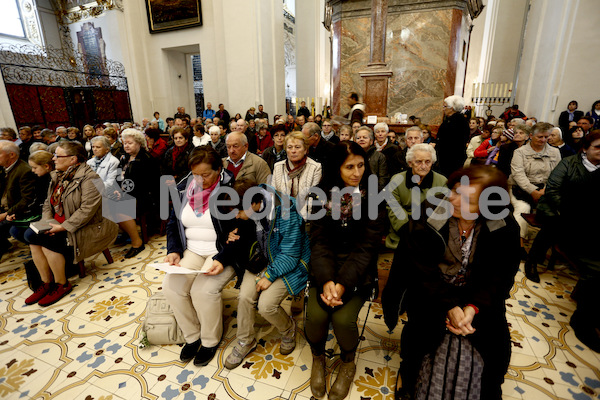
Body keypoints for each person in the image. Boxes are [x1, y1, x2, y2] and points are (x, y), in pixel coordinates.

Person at [383, 165, 520, 400]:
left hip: (478, 296)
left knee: (492, 350)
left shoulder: (503, 226)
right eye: (455, 191)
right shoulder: (429, 213)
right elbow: (418, 269)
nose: (454, 201)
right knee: (424, 344)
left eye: (468, 200)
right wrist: (449, 306)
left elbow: (501, 276)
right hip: (431, 292)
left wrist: (471, 307)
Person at [305, 141, 384, 400]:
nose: (356, 172)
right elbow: (319, 240)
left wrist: (342, 284)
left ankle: (348, 362)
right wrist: (327, 279)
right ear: (336, 168)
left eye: (361, 165)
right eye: (349, 166)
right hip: (324, 266)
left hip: (358, 271)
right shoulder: (320, 194)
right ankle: (318, 358)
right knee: (316, 318)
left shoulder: (373, 194)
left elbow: (367, 247)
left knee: (342, 319)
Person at [162, 146, 239, 365]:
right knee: (172, 287)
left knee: (202, 290)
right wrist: (174, 251)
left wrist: (222, 259)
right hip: (192, 249)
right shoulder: (184, 188)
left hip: (221, 252)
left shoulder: (231, 190)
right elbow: (172, 223)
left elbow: (242, 233)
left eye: (206, 175)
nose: (200, 180)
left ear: (219, 170)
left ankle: (209, 340)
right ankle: (192, 336)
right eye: (196, 174)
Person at [223, 179, 310, 369]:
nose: (237, 216)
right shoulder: (254, 207)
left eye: (239, 212)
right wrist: (233, 236)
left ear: (253, 204)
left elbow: (291, 253)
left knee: (266, 305)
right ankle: (246, 341)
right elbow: (249, 235)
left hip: (289, 263)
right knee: (245, 297)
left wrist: (269, 276)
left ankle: (288, 329)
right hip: (264, 259)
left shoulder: (287, 211)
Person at [23, 141, 118, 306]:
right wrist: (48, 222)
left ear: (73, 159)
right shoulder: (56, 176)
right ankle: (47, 282)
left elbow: (87, 211)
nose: (53, 159)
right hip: (58, 222)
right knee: (31, 236)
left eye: (58, 156)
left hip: (84, 227)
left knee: (46, 241)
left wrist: (62, 227)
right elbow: (48, 203)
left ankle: (62, 283)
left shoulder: (91, 178)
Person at [532, 132, 600, 351]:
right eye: (598, 147)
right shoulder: (569, 164)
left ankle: (589, 303)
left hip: (589, 223)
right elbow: (553, 191)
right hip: (560, 212)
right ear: (585, 149)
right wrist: (572, 214)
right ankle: (533, 260)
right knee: (552, 228)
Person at [509, 122, 561, 266]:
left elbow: (557, 174)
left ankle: (544, 249)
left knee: (554, 214)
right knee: (522, 209)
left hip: (545, 189)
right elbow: (518, 174)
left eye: (546, 137)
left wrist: (545, 189)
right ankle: (518, 246)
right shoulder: (520, 152)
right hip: (520, 188)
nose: (543, 140)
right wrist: (532, 190)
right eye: (540, 137)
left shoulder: (554, 152)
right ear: (531, 136)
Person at [385, 144, 447, 249]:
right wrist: (409, 232)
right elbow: (394, 210)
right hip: (402, 233)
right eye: (418, 162)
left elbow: (440, 213)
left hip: (430, 235)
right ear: (410, 163)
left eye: (427, 162)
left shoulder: (442, 181)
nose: (423, 166)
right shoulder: (396, 180)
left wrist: (424, 235)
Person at [115, 129, 160, 258]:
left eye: (130, 143)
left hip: (145, 196)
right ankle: (125, 232)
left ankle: (137, 242)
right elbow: (118, 177)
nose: (126, 146)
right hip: (128, 193)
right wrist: (117, 190)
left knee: (118, 208)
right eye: (125, 143)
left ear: (139, 143)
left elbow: (146, 184)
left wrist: (123, 193)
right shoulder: (124, 158)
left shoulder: (146, 159)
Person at [271, 131, 322, 219]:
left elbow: (311, 200)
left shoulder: (315, 167)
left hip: (305, 219)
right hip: (282, 218)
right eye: (289, 147)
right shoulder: (278, 166)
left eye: (297, 147)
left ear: (305, 150)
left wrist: (298, 219)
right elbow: (274, 195)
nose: (293, 151)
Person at [0, 141, 37, 256]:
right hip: (8, 209)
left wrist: (6, 214)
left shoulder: (23, 170)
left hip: (23, 212)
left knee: (15, 230)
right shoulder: (6, 168)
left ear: (11, 155)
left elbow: (27, 199)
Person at [436, 95, 470, 177]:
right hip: (450, 156)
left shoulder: (457, 122)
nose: (443, 109)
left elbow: (451, 141)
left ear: (451, 108)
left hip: (451, 158)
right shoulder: (452, 120)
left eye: (445, 106)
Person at [355, 126, 389, 191]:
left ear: (371, 141)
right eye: (358, 138)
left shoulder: (379, 156)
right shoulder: (351, 156)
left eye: (365, 137)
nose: (361, 139)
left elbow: (383, 179)